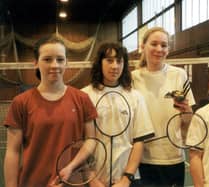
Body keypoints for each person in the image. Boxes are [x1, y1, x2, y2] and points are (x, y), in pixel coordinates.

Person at [3, 36, 97, 187]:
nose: (55, 65)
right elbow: (13, 152)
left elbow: (91, 139)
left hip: (71, 182)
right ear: (35, 63)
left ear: (67, 63)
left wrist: (71, 167)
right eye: (47, 59)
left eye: (60, 59)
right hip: (33, 182)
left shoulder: (82, 99)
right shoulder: (20, 102)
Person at [81, 42, 155, 187]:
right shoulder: (84, 95)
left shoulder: (135, 97)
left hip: (127, 179)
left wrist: (126, 179)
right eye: (109, 60)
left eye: (119, 61)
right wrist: (91, 178)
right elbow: (80, 141)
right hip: (93, 180)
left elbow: (139, 141)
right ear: (99, 63)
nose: (115, 66)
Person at [131, 27, 196, 187]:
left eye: (164, 45)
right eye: (154, 44)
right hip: (141, 159)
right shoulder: (133, 78)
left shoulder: (179, 74)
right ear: (143, 46)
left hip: (173, 157)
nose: (159, 49)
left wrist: (186, 112)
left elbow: (189, 120)